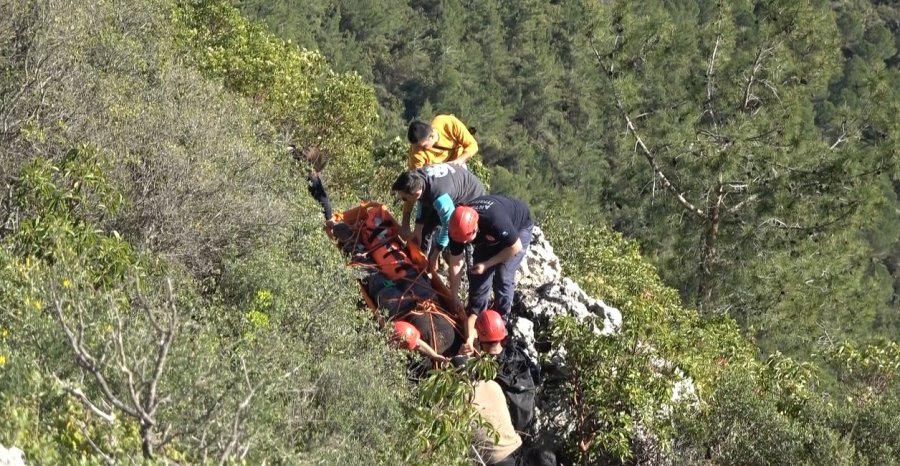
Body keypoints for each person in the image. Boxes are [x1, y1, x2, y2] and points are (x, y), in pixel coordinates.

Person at [445, 195, 534, 348]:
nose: (465, 244)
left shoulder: (495, 220)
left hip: (518, 230)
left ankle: (499, 322)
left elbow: (515, 247)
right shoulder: (456, 228)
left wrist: (487, 264)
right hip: (488, 237)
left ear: (476, 227)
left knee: (503, 276)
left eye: (468, 239)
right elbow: (456, 262)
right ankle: (477, 314)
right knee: (477, 276)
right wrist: (453, 296)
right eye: (462, 241)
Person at [391, 163, 485, 268]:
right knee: (425, 230)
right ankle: (423, 261)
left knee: (457, 235)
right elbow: (422, 202)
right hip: (449, 187)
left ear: (416, 193)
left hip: (470, 196)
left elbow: (448, 226)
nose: (405, 201)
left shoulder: (440, 198)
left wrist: (435, 254)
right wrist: (417, 229)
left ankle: (457, 267)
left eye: (405, 198)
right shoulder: (417, 176)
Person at [402, 115, 479, 231]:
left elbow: (472, 146)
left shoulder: (447, 123)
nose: (419, 150)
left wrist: (458, 161)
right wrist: (406, 220)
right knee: (430, 218)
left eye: (423, 147)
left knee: (462, 216)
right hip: (436, 181)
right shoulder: (416, 153)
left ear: (431, 136)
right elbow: (414, 185)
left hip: (458, 172)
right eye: (416, 147)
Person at [473, 310, 539, 434]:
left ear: (480, 337)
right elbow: (536, 376)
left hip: (506, 431)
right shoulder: (518, 354)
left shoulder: (483, 369)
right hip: (528, 424)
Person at [289, 144, 333, 221]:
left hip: (308, 160)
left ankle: (328, 217)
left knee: (316, 187)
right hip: (307, 159)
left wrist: (328, 218)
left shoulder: (311, 176)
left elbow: (322, 197)